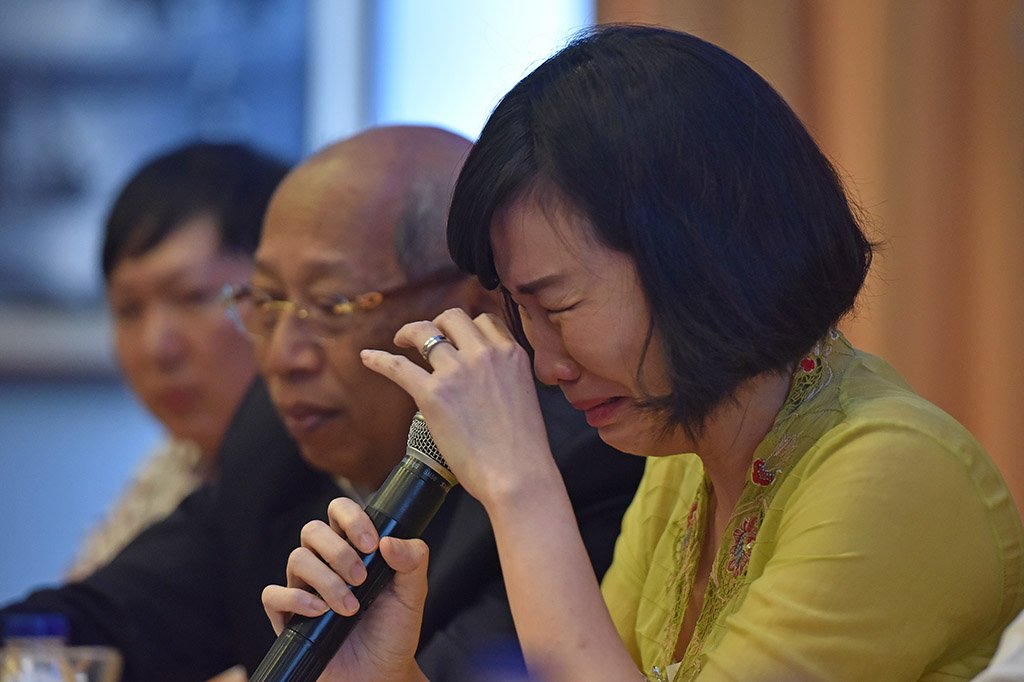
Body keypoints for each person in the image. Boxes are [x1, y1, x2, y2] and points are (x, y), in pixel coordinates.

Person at [264, 27, 1024, 682]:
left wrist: (521, 484)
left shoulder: (893, 473)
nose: (545, 362)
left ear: (700, 260)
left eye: (558, 307)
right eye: (523, 316)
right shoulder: (682, 464)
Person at [0, 126, 644, 682]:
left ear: (473, 307)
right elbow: (109, 617)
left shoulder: (574, 467)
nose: (283, 356)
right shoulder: (272, 440)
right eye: (266, 304)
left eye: (330, 307)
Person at [67, 141, 288, 580]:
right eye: (128, 309)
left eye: (191, 297)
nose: (156, 347)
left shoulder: (334, 483)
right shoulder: (171, 469)